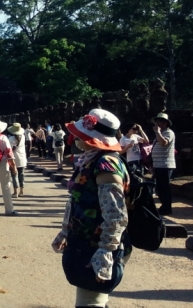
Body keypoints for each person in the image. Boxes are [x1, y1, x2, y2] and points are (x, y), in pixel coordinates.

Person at [51, 109, 129, 308]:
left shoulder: (106, 164)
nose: (75, 138)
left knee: (89, 301)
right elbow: (76, 201)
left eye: (80, 135)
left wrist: (106, 249)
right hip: (85, 239)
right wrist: (65, 230)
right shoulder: (91, 160)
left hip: (98, 243)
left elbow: (115, 212)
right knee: (95, 299)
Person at [150, 112, 176, 215]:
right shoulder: (160, 133)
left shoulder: (169, 133)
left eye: (160, 121)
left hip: (165, 165)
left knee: (165, 187)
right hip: (158, 164)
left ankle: (167, 208)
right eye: (157, 121)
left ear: (165, 123)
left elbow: (163, 143)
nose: (158, 123)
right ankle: (163, 206)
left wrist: (157, 132)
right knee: (160, 187)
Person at [7, 123, 27, 197]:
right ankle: (21, 191)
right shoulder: (24, 137)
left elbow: (9, 149)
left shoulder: (10, 139)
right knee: (21, 175)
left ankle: (15, 192)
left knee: (14, 175)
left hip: (14, 158)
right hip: (22, 158)